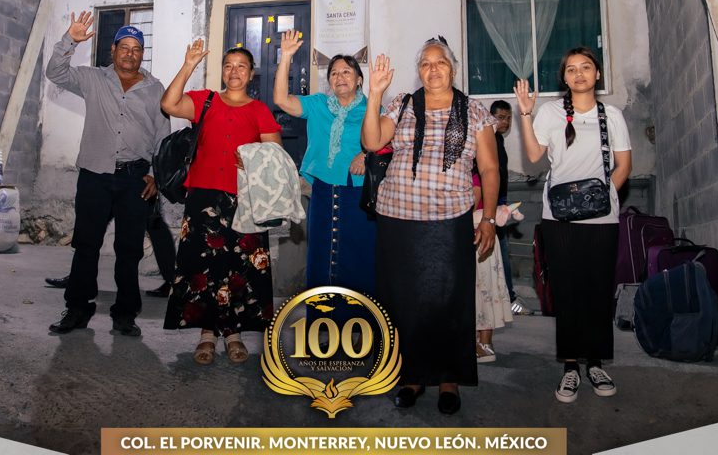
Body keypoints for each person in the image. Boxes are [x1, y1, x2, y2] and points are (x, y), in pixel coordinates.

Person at [361, 37, 499, 416]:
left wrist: (488, 218)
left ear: (452, 68)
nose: (433, 69)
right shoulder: (403, 103)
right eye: (425, 63)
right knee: (405, 300)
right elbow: (372, 142)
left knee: (447, 299)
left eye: (440, 62)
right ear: (418, 71)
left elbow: (489, 168)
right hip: (397, 217)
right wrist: (375, 94)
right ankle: (411, 376)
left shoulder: (473, 111)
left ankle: (448, 378)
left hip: (448, 219)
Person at [514, 46, 632, 404]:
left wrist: (602, 199)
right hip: (559, 218)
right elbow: (534, 156)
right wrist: (525, 113)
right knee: (566, 291)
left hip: (602, 219)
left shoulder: (611, 115)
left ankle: (595, 363)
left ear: (597, 74)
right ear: (564, 78)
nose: (579, 73)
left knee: (597, 290)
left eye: (586, 67)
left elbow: (624, 166)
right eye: (571, 69)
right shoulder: (550, 112)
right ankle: (569, 366)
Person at [45, 12, 171, 337]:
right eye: (124, 47)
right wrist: (70, 40)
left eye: (136, 49)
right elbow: (55, 72)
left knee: (129, 250)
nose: (130, 54)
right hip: (95, 175)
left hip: (135, 178)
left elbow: (162, 136)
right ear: (112, 50)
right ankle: (77, 309)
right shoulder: (92, 79)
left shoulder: (155, 89)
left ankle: (125, 314)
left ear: (142, 54)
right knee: (86, 245)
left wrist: (155, 175)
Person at [161, 39, 282, 364]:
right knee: (204, 267)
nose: (234, 71)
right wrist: (189, 65)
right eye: (228, 66)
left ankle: (233, 334)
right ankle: (206, 334)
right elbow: (169, 104)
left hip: (245, 199)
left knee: (239, 267)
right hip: (203, 196)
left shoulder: (259, 110)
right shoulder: (206, 100)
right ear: (222, 71)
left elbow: (275, 156)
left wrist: (254, 158)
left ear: (251, 74)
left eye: (241, 66)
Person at [273, 30, 373, 294]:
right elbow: (281, 99)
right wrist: (286, 57)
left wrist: (367, 154)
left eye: (347, 72)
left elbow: (391, 140)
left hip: (358, 192)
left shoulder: (372, 109)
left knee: (358, 254)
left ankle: (359, 315)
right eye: (334, 73)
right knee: (321, 253)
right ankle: (323, 314)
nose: (340, 77)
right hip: (322, 190)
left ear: (359, 80)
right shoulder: (318, 104)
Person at [43, 200, 176, 297]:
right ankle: (78, 277)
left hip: (137, 177)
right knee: (92, 224)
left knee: (154, 223)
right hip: (114, 177)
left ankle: (173, 281)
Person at [490, 99, 532, 316]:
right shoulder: (488, 139)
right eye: (500, 117)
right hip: (491, 203)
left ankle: (505, 297)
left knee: (499, 251)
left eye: (508, 118)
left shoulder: (498, 139)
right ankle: (509, 299)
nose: (505, 122)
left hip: (500, 200)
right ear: (490, 118)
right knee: (502, 250)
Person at [472, 170, 514, 364]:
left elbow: (470, 205)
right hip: (473, 235)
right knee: (475, 291)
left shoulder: (475, 175)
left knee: (484, 290)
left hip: (479, 235)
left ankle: (485, 343)